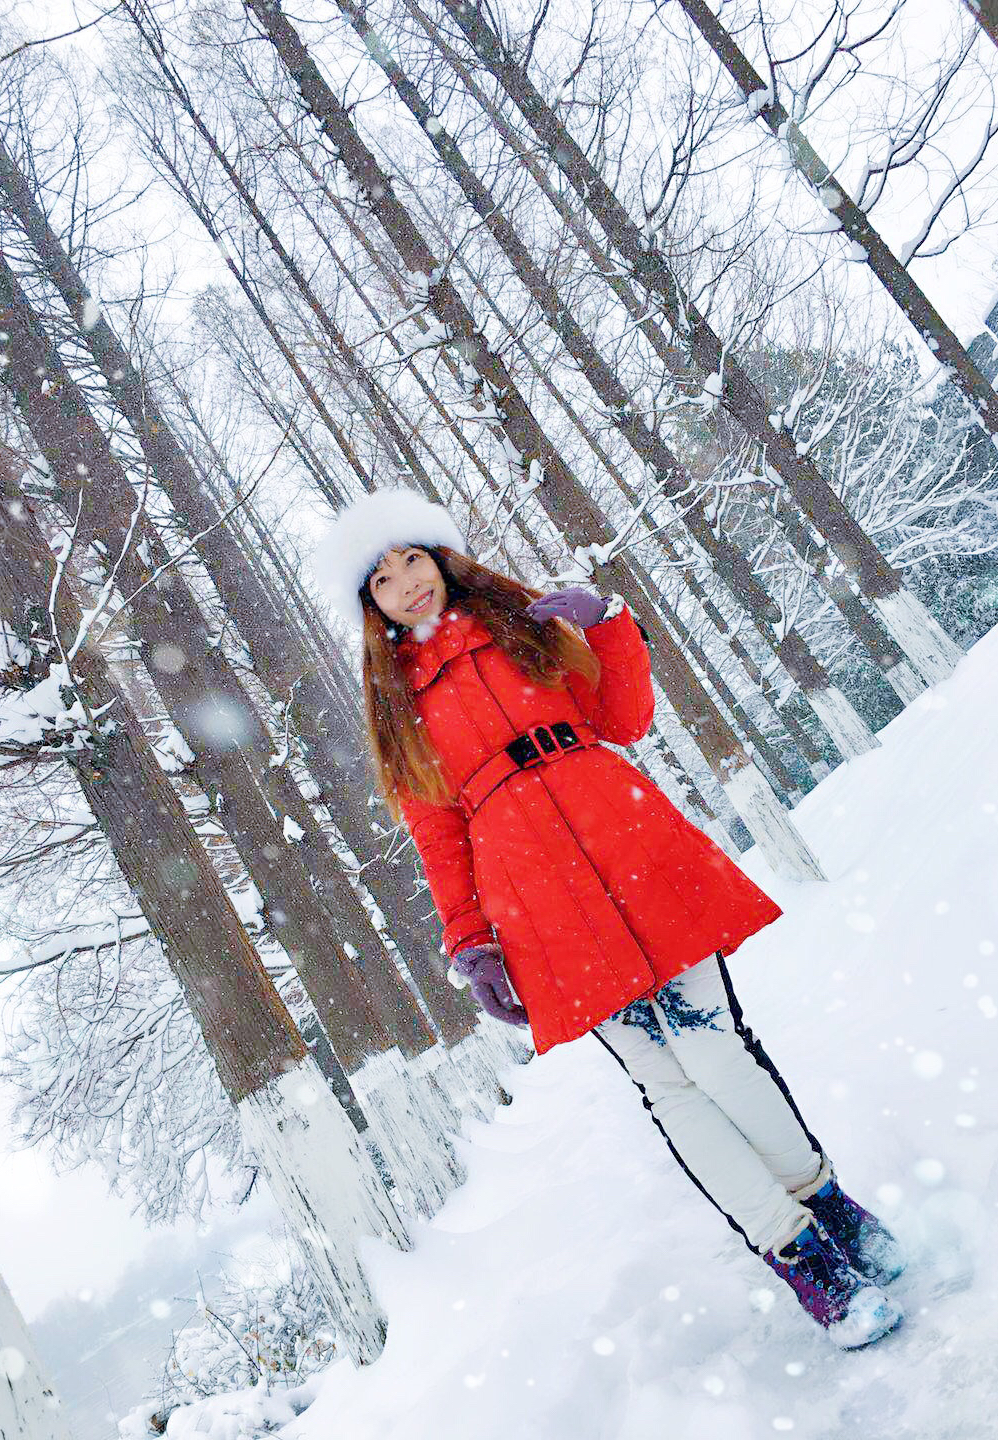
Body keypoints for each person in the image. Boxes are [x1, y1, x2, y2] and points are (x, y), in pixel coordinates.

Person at [313, 488, 906, 1349]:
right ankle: (803, 1263)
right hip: (537, 903)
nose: (405, 582)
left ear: (440, 558)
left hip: (628, 842)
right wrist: (470, 941)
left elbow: (624, 717)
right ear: (369, 607)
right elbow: (441, 840)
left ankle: (831, 1208)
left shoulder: (524, 625)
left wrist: (607, 624)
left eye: (411, 558)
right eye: (380, 578)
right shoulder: (399, 711)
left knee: (714, 1046)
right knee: (665, 1083)